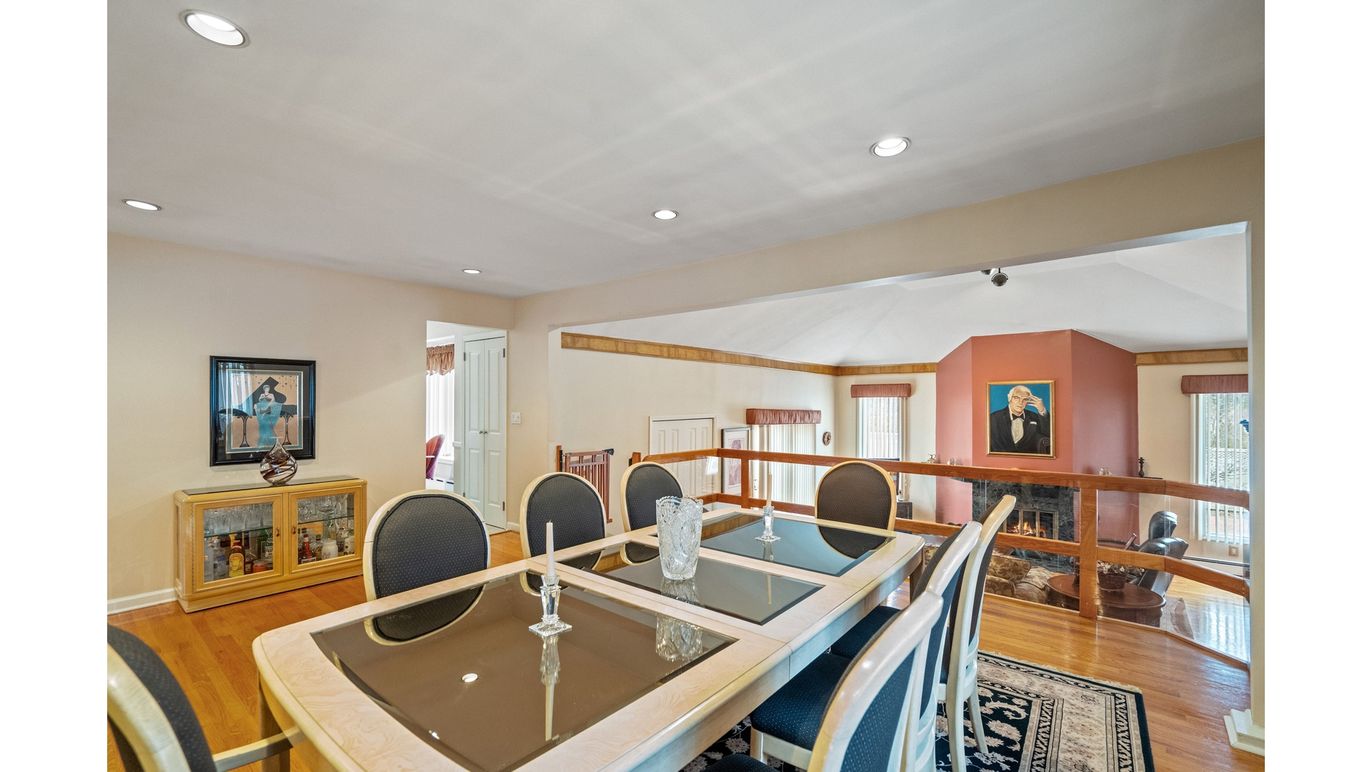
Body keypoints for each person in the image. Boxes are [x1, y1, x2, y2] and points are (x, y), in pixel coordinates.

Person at [989, 384, 1051, 454]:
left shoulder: (1034, 417)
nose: (1020, 402)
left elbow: (1048, 434)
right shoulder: (993, 418)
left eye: (1025, 399)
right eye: (1016, 398)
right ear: (1009, 398)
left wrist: (1042, 410)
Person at [254, 382, 285, 448]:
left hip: (269, 408)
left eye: (268, 388)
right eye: (266, 388)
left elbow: (273, 401)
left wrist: (267, 406)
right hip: (262, 408)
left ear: (269, 389)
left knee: (267, 422)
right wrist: (262, 398)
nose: (267, 389)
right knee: (263, 423)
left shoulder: (271, 394)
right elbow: (259, 400)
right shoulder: (262, 394)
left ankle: (270, 440)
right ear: (264, 389)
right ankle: (264, 439)